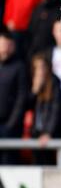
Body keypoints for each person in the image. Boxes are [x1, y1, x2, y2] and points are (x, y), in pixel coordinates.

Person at [28, 53, 61, 165]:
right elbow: (27, 106)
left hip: (50, 134)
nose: (40, 71)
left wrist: (48, 132)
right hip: (36, 133)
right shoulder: (32, 82)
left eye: (42, 67)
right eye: (36, 68)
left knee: (49, 164)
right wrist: (34, 90)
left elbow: (56, 110)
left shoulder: (54, 82)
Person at [0, 31, 27, 164]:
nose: (5, 48)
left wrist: (11, 124)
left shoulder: (19, 67)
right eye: (3, 44)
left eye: (8, 44)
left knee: (8, 163)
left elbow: (21, 98)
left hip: (10, 127)